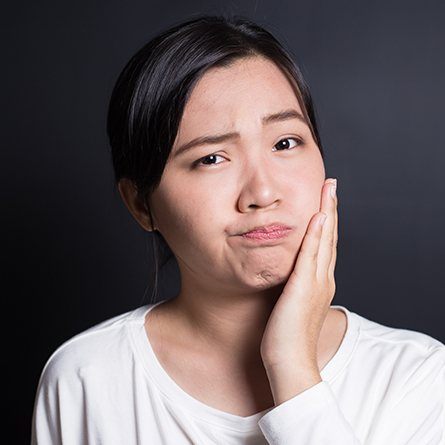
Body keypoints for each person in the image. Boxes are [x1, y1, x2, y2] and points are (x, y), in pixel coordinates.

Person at [31, 14, 445, 445]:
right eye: (211, 158)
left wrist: (292, 367)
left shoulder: (418, 378)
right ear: (141, 204)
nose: (262, 192)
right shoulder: (87, 379)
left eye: (285, 143)